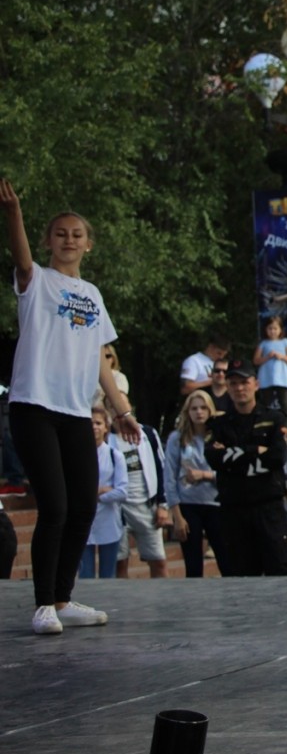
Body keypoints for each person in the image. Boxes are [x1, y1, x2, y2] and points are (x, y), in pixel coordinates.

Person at [3, 179, 141, 635]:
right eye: (60, 233)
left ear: (89, 244)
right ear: (48, 241)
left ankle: (63, 598)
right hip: (33, 406)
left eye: (76, 234)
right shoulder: (37, 282)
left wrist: (122, 411)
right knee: (56, 507)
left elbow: (101, 360)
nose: (68, 240)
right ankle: (43, 605)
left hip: (76, 413)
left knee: (84, 504)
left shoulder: (94, 296)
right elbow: (20, 257)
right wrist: (14, 213)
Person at [206, 360, 287, 577]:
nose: (239, 388)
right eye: (233, 383)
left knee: (278, 571)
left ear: (256, 384)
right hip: (234, 508)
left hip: (268, 507)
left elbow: (277, 457)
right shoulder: (218, 425)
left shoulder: (274, 418)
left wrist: (234, 455)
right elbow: (214, 459)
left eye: (244, 382)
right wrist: (256, 451)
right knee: (239, 576)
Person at [163, 390, 226, 578]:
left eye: (203, 407)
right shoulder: (177, 438)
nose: (199, 412)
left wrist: (204, 475)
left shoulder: (219, 436)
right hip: (188, 504)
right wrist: (176, 515)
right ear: (187, 411)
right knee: (193, 566)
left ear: (210, 410)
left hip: (217, 503)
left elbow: (229, 472)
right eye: (194, 408)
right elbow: (170, 477)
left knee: (226, 560)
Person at [109, 413, 170, 578]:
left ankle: (163, 599)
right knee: (120, 562)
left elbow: (161, 467)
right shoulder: (106, 438)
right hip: (117, 508)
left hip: (146, 505)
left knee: (158, 560)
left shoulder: (147, 434)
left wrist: (162, 504)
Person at [80, 407, 127, 579]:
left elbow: (122, 491)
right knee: (85, 574)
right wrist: (102, 491)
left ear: (106, 427)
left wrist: (96, 495)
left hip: (109, 522)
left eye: (98, 423)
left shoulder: (115, 456)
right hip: (85, 522)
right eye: (90, 423)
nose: (94, 427)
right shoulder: (77, 456)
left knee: (109, 574)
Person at [254, 315, 287, 427]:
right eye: (270, 328)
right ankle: (262, 424)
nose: (272, 331)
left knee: (284, 402)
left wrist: (281, 356)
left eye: (275, 328)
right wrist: (267, 357)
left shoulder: (285, 342)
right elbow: (256, 360)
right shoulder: (263, 343)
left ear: (280, 330)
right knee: (265, 402)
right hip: (267, 377)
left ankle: (286, 426)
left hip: (281, 376)